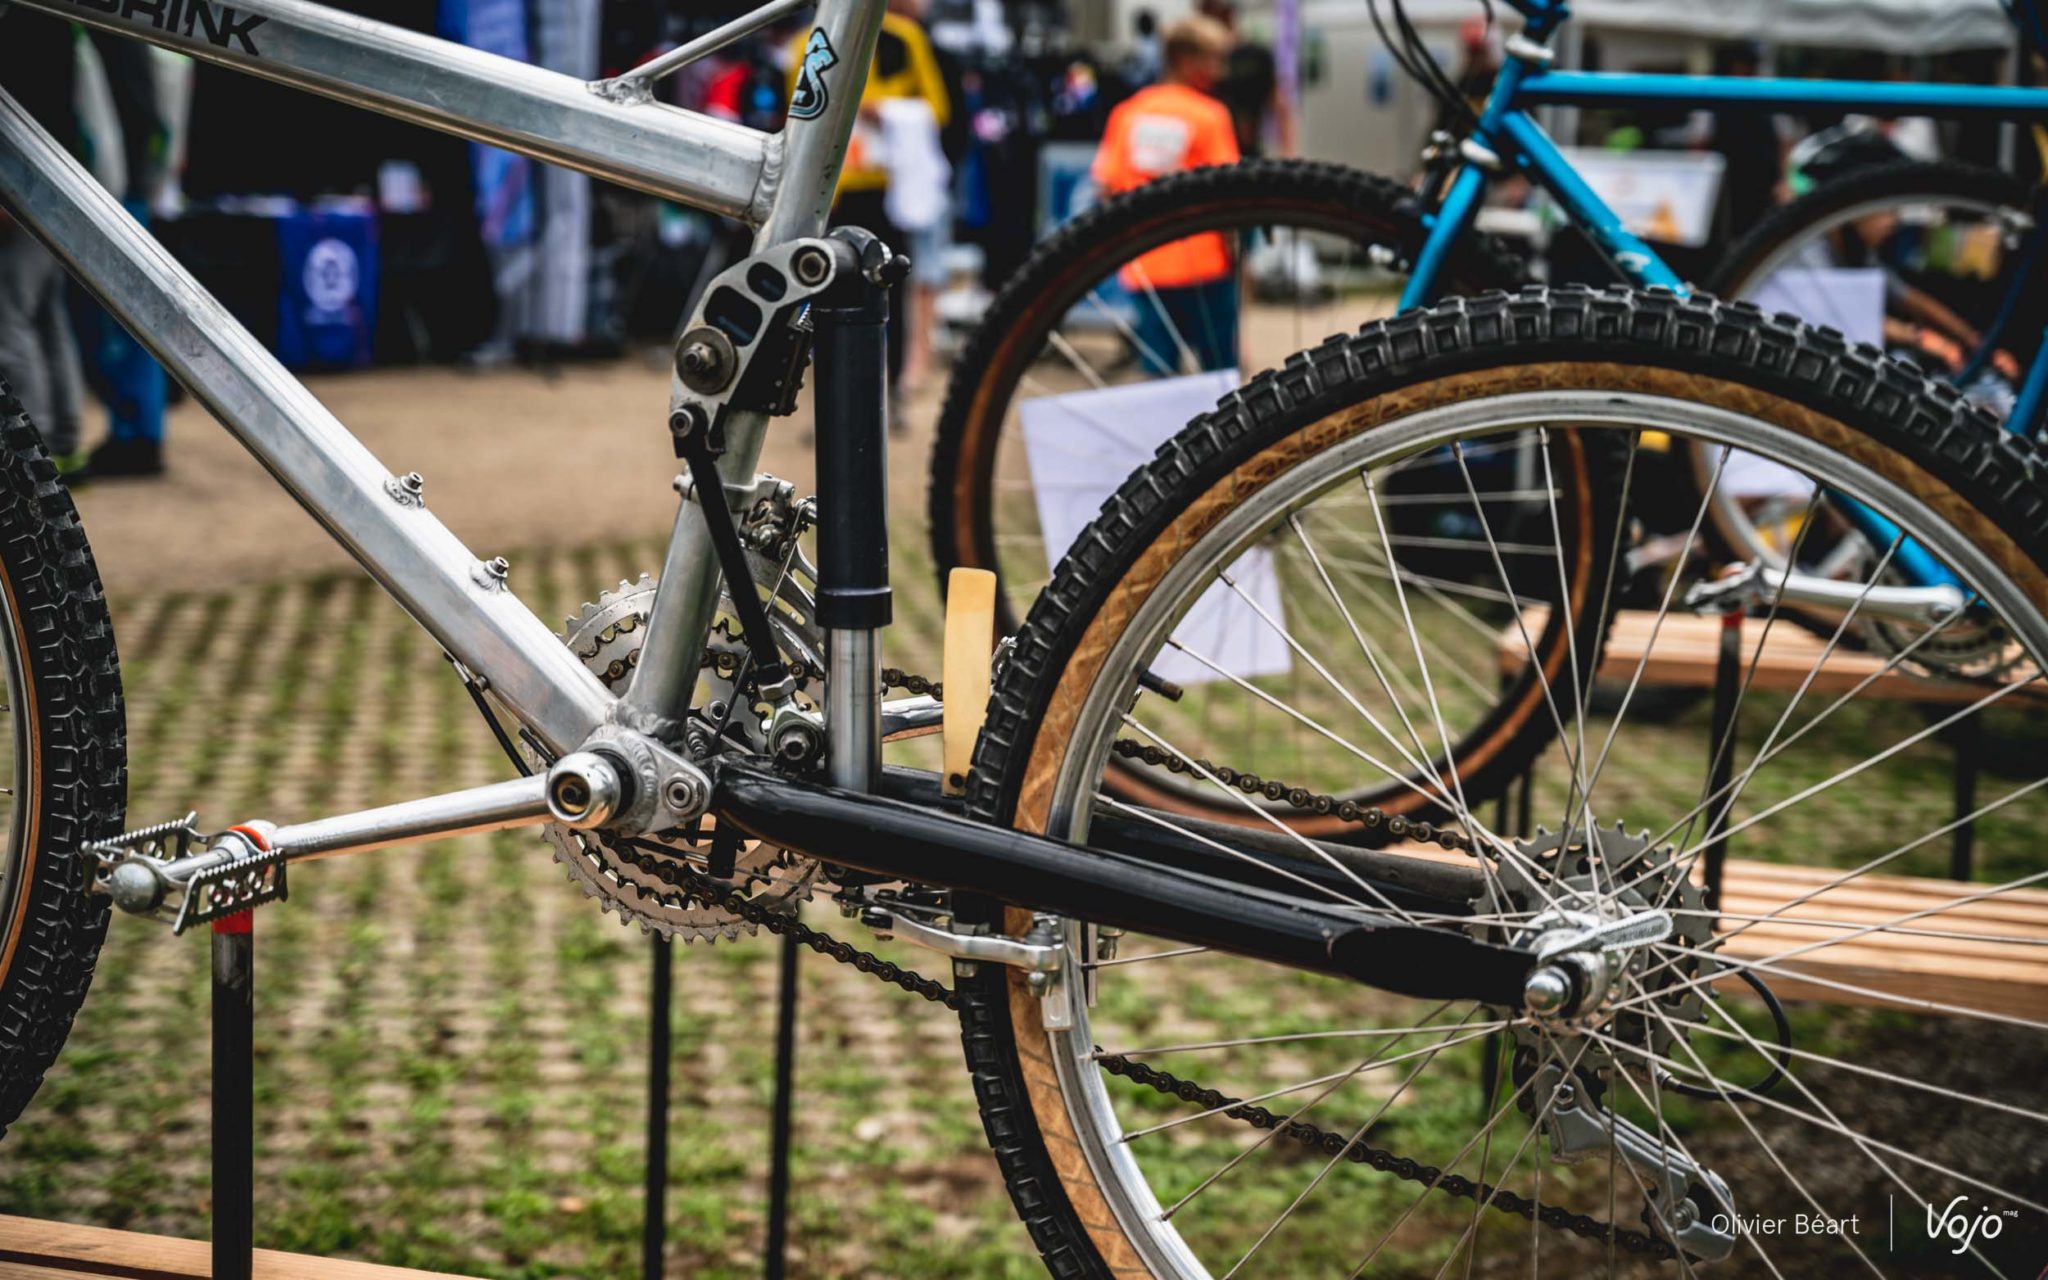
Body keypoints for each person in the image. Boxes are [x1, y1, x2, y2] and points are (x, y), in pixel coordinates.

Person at [789, 0, 950, 423]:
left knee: (889, 290)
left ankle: (892, 393)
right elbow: (798, 113)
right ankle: (828, 405)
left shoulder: (905, 38)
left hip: (885, 191)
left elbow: (939, 109)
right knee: (823, 295)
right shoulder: (808, 42)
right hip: (832, 193)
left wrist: (888, 112)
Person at [1090, 14, 1241, 375]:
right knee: (1219, 375)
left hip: (1145, 262)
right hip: (1205, 263)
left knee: (1158, 374)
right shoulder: (1209, 114)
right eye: (1212, 59)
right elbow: (1230, 190)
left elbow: (1105, 185)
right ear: (1186, 60)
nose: (1219, 71)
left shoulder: (1129, 113)